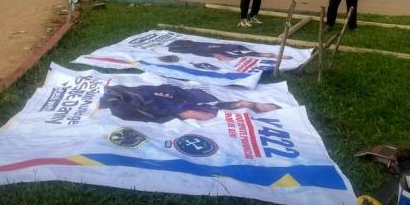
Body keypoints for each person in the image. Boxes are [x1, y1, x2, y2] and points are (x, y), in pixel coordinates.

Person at [97, 83, 280, 124]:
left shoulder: (123, 97)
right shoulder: (123, 101)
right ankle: (239, 108)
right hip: (163, 103)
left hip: (168, 101)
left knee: (203, 109)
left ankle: (241, 108)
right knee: (201, 111)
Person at [167, 39, 292, 62]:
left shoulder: (196, 47)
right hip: (220, 51)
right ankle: (274, 56)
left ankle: (275, 56)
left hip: (222, 50)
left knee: (244, 53)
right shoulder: (195, 49)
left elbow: (216, 52)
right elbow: (217, 54)